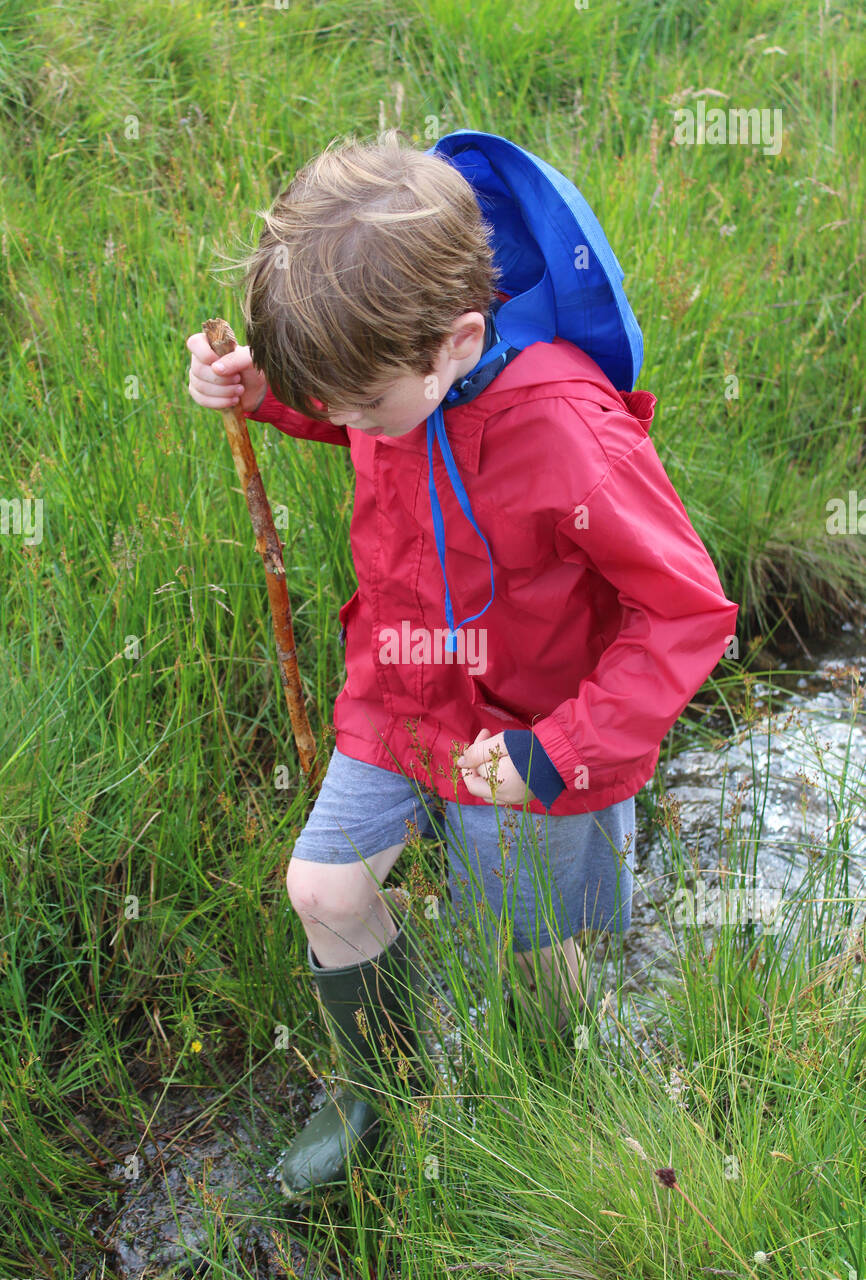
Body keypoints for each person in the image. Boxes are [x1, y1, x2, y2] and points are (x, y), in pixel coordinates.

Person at [187, 128, 739, 1198]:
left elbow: (683, 610)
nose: (346, 429)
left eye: (356, 407)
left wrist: (557, 750)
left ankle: (555, 1086)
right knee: (324, 886)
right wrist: (264, 392)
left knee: (532, 950)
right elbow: (363, 408)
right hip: (398, 689)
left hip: (528, 733)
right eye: (329, 405)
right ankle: (378, 1093)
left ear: (457, 341)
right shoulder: (396, 373)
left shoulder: (568, 430)